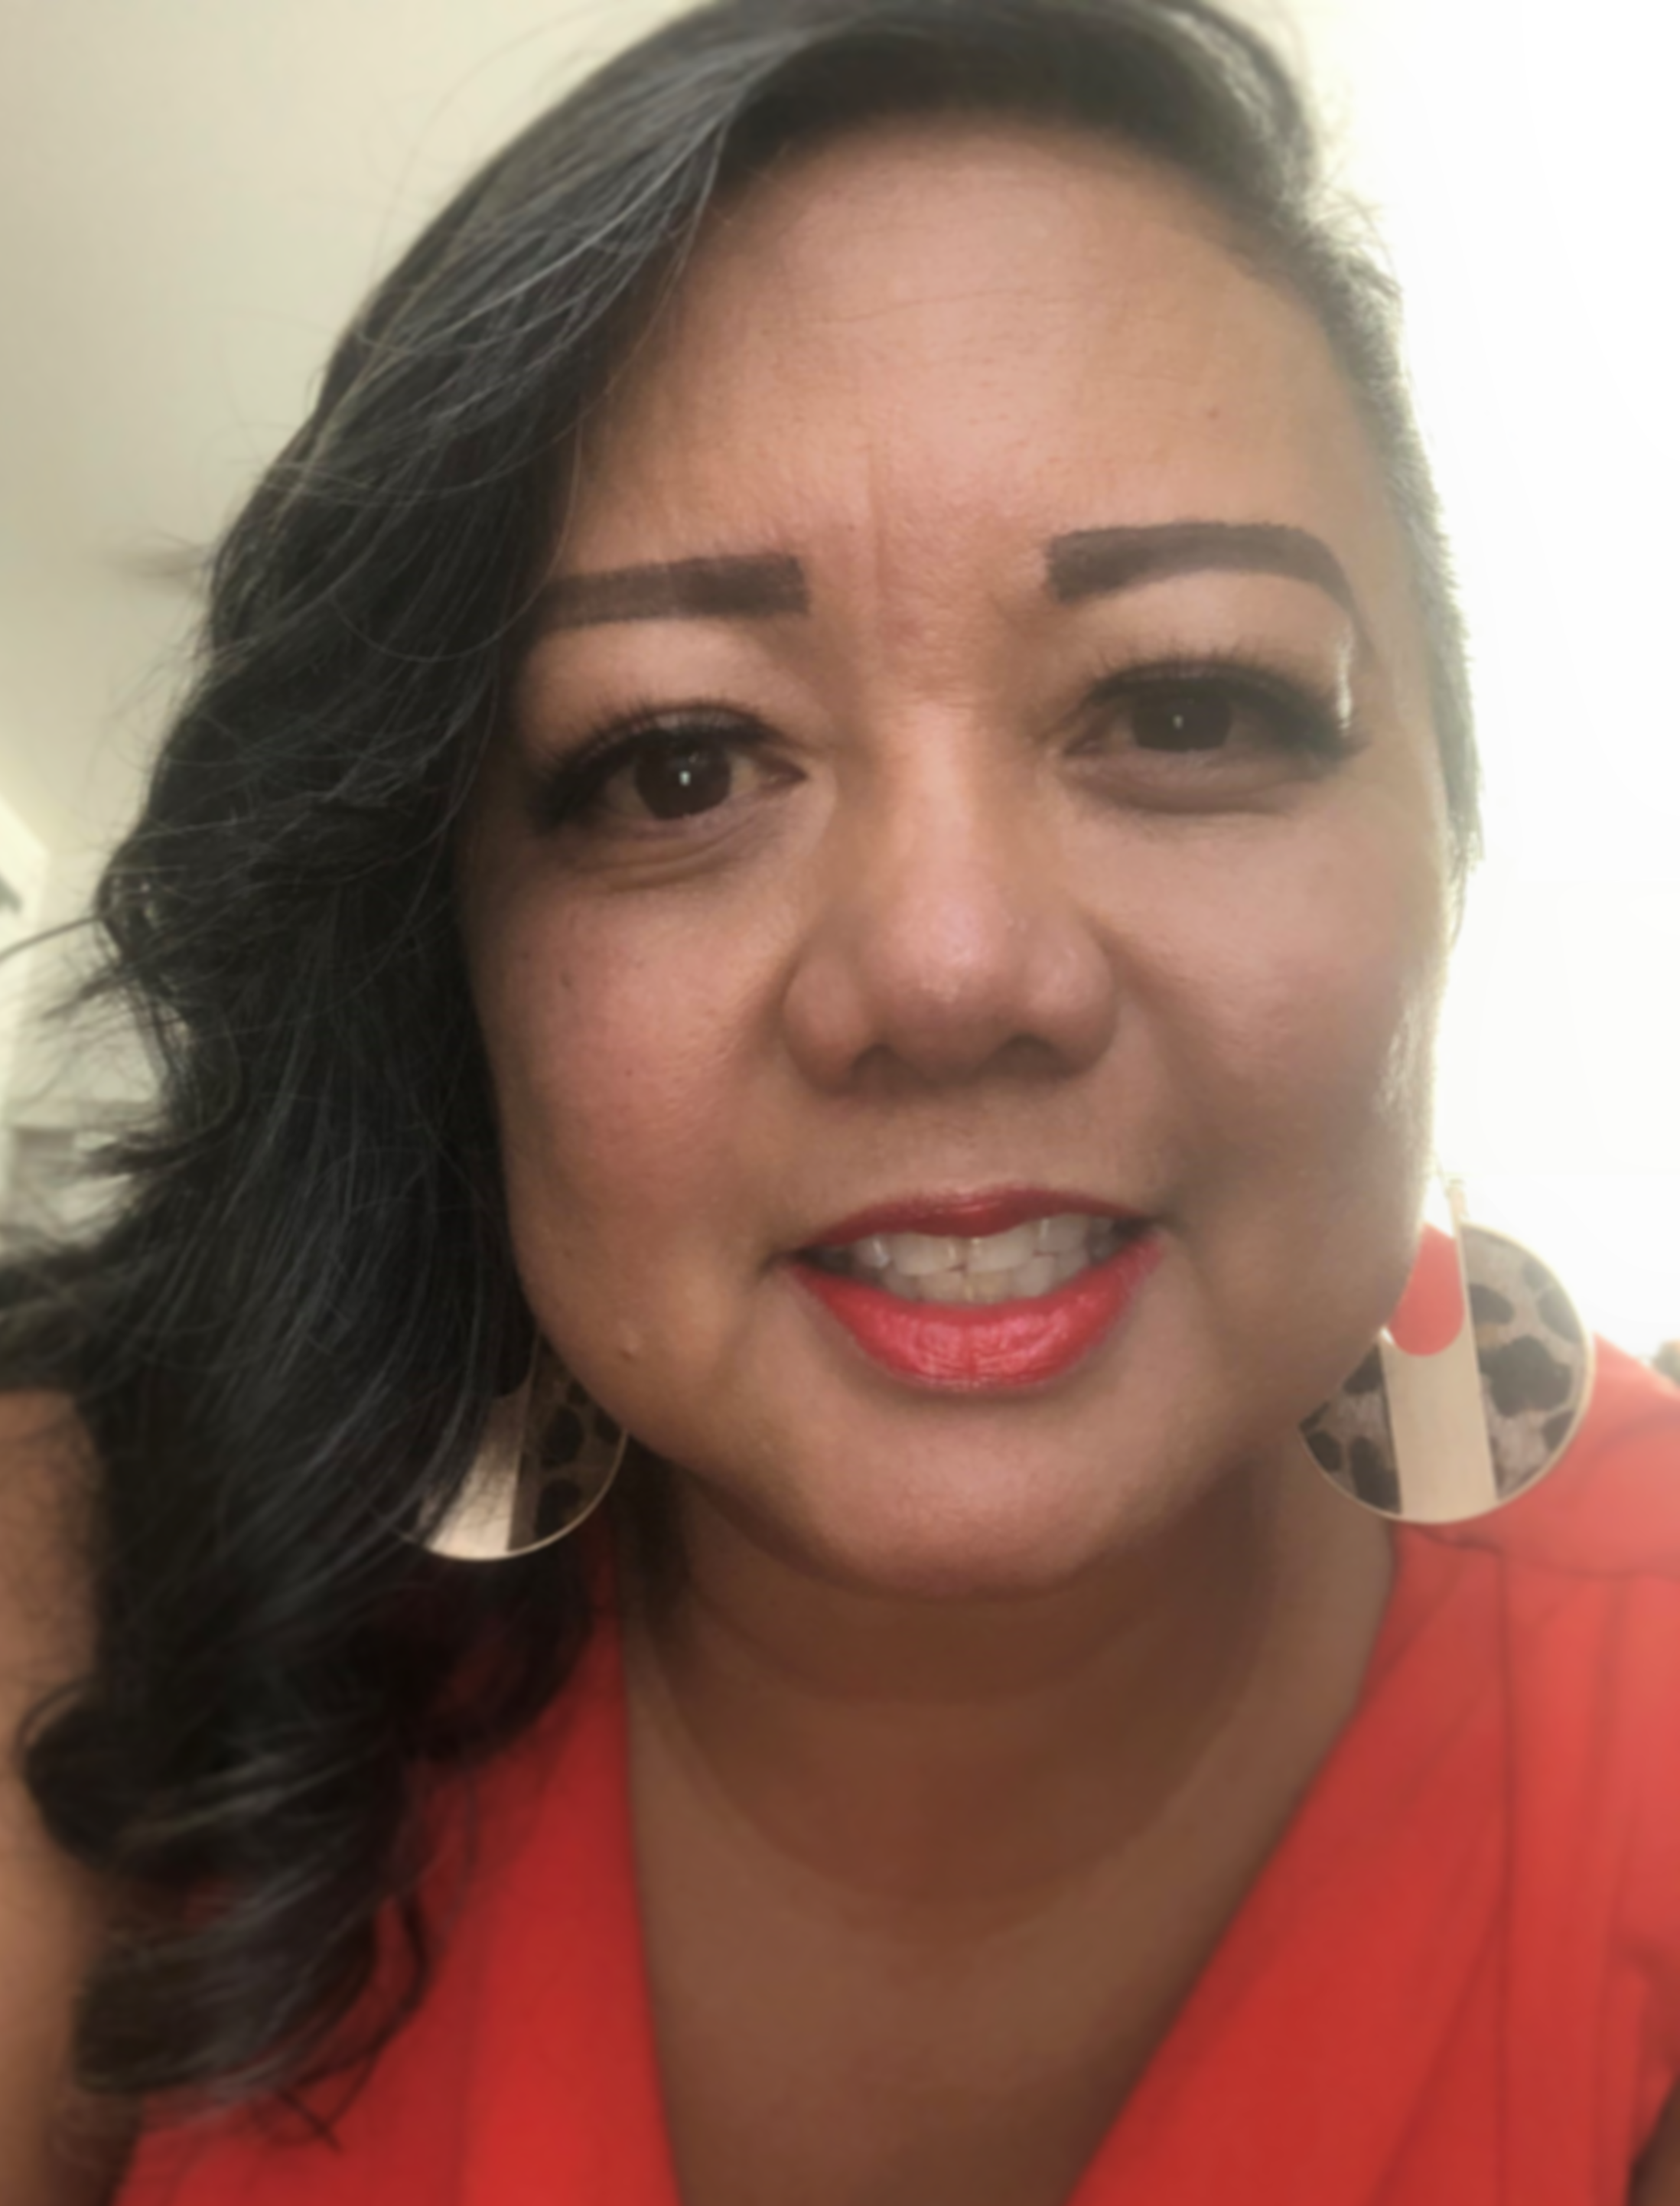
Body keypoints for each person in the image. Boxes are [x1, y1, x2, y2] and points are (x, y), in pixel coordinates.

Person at [3, 0, 1679, 2199]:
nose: (950, 969)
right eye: (677, 764)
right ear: (448, 946)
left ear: (1448, 837)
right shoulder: (86, 1606)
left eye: (1184, 707)